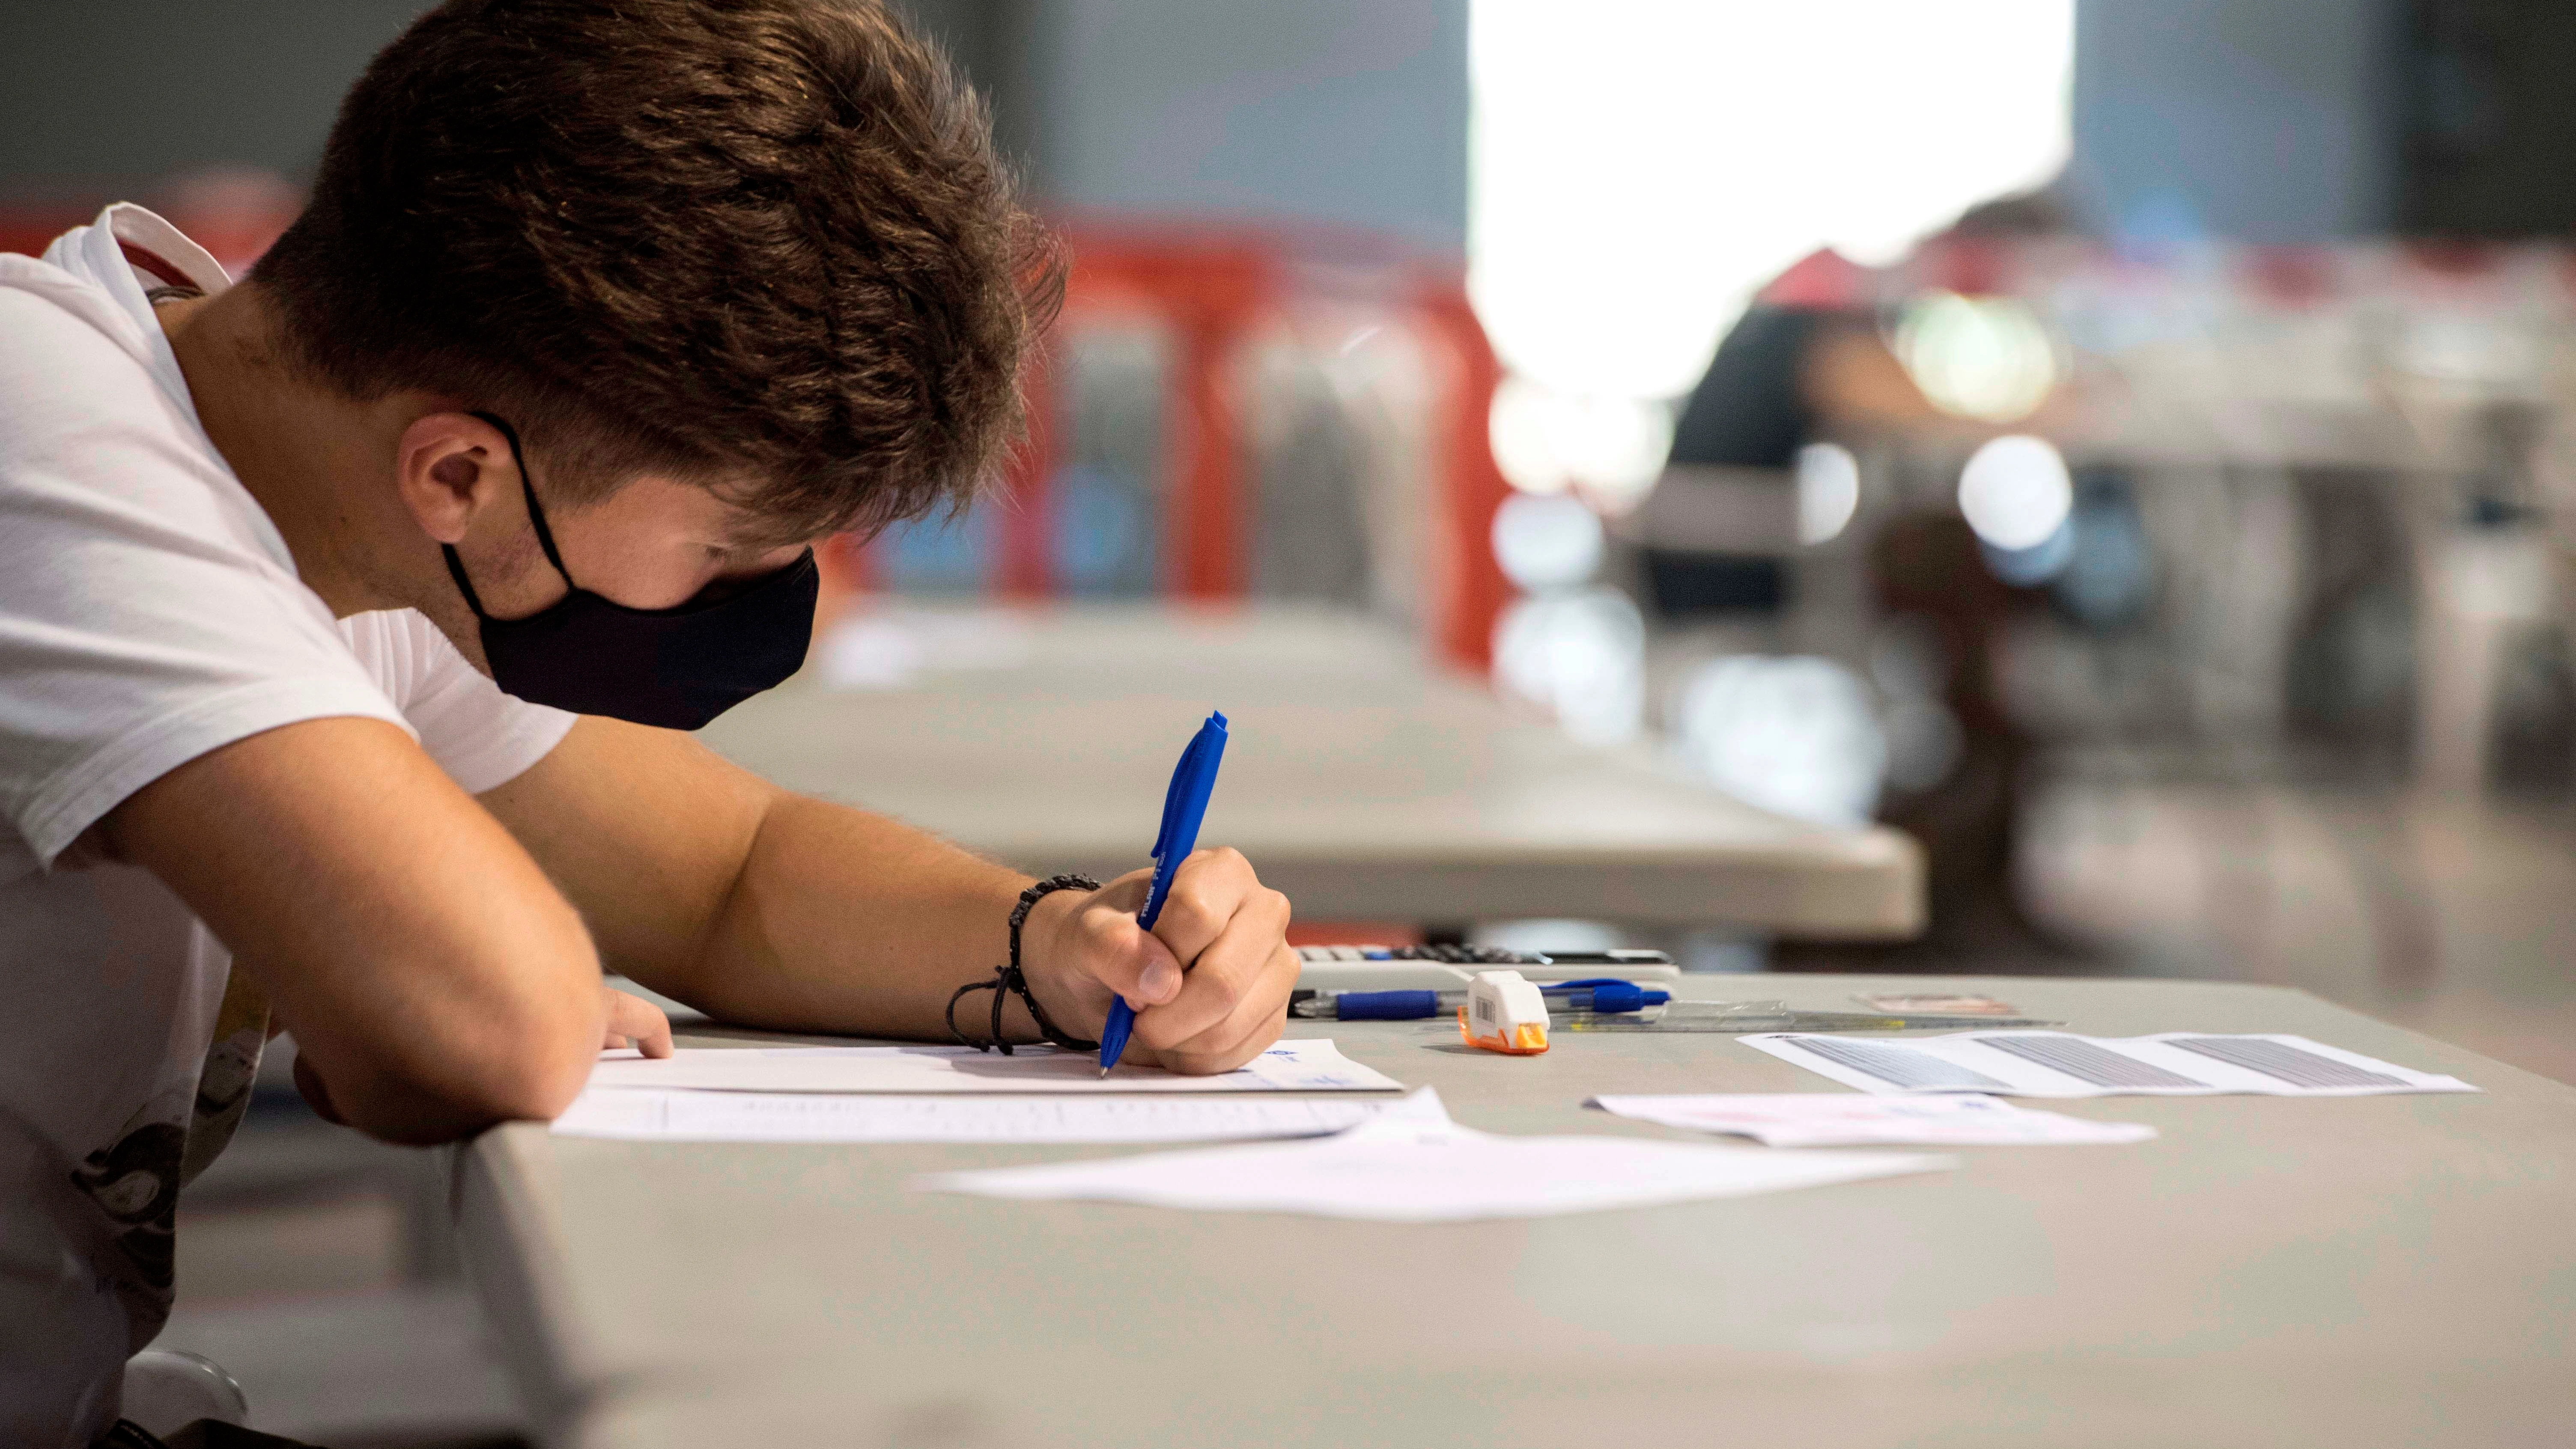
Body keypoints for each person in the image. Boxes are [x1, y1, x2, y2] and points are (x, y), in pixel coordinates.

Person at [0, 3, 1298, 1443]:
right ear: (460, 478)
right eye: (727, 546)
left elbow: (728, 876)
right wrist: (443, 1003)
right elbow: (487, 1018)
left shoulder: (324, 501)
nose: (761, 599)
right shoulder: (44, 433)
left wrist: (1062, 944)